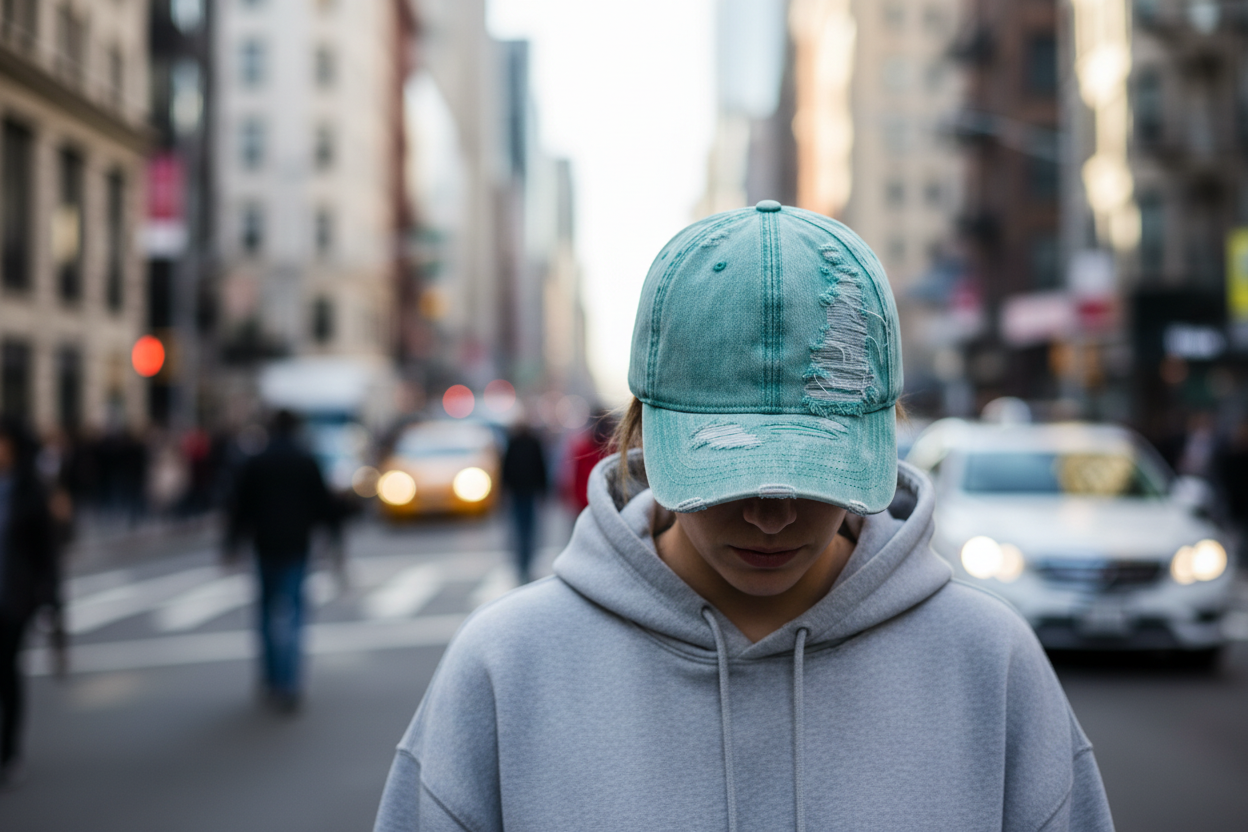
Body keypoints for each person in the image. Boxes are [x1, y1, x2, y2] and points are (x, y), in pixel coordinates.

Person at [373, 203, 1115, 830]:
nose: (770, 517)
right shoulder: (506, 669)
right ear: (643, 430)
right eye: (726, 476)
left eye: (811, 474)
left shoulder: (990, 665)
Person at [225, 410, 341, 713]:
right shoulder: (306, 460)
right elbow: (324, 505)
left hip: (264, 545)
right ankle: (289, 683)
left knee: (265, 614)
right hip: (296, 546)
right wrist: (334, 541)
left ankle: (272, 678)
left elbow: (239, 506)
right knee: (293, 614)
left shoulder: (256, 460)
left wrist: (231, 544)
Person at [0, 419, 64, 786]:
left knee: (6, 672)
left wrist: (52, 602)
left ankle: (8, 751)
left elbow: (48, 555)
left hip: (13, 599)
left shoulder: (30, 491)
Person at [500, 419, 548, 583]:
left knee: (523, 529)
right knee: (526, 528)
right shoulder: (525, 443)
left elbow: (507, 468)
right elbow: (540, 467)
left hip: (523, 492)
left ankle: (525, 561)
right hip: (523, 492)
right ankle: (524, 561)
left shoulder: (519, 443)